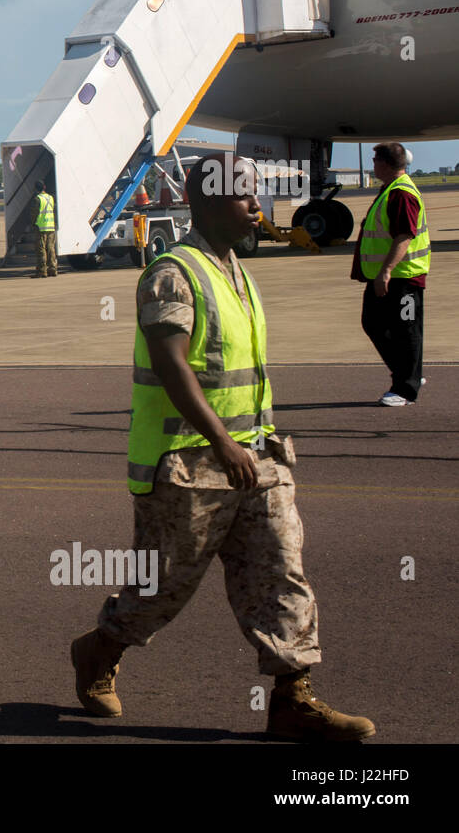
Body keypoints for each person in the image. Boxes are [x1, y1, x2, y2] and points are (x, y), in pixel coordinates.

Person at [70, 153, 375, 742]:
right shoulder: (172, 273)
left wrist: (250, 450)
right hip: (188, 466)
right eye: (245, 196)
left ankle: (292, 699)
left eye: (255, 194)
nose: (257, 206)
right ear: (208, 202)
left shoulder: (237, 269)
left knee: (282, 573)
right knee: (160, 590)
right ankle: (100, 648)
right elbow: (171, 365)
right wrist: (220, 441)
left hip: (256, 461)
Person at [351, 142, 429, 406]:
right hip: (385, 277)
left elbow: (405, 234)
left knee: (406, 330)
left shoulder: (401, 193)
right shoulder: (390, 190)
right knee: (373, 323)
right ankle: (409, 373)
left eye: (375, 161)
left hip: (403, 277)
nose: (373, 166)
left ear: (384, 163)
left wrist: (386, 270)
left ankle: (406, 388)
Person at [29, 180, 57, 278]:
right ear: (44, 187)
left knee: (41, 249)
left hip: (40, 227)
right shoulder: (50, 198)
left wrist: (32, 223)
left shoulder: (37, 199)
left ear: (36, 188)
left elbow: (34, 214)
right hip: (51, 226)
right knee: (51, 248)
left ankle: (42, 271)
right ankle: (52, 269)